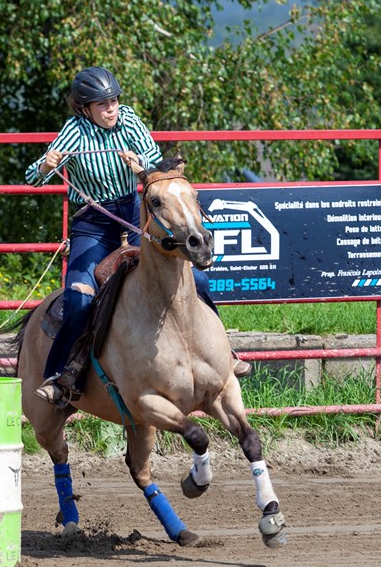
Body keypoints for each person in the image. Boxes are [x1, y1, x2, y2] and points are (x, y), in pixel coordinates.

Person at [25, 66, 247, 408]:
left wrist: (140, 165)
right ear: (85, 109)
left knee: (197, 280)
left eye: (113, 100)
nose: (111, 108)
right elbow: (32, 178)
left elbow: (157, 166)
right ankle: (60, 375)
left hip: (134, 217)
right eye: (102, 104)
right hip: (92, 223)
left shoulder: (129, 120)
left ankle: (224, 354)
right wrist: (45, 165)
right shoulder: (73, 132)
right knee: (80, 298)